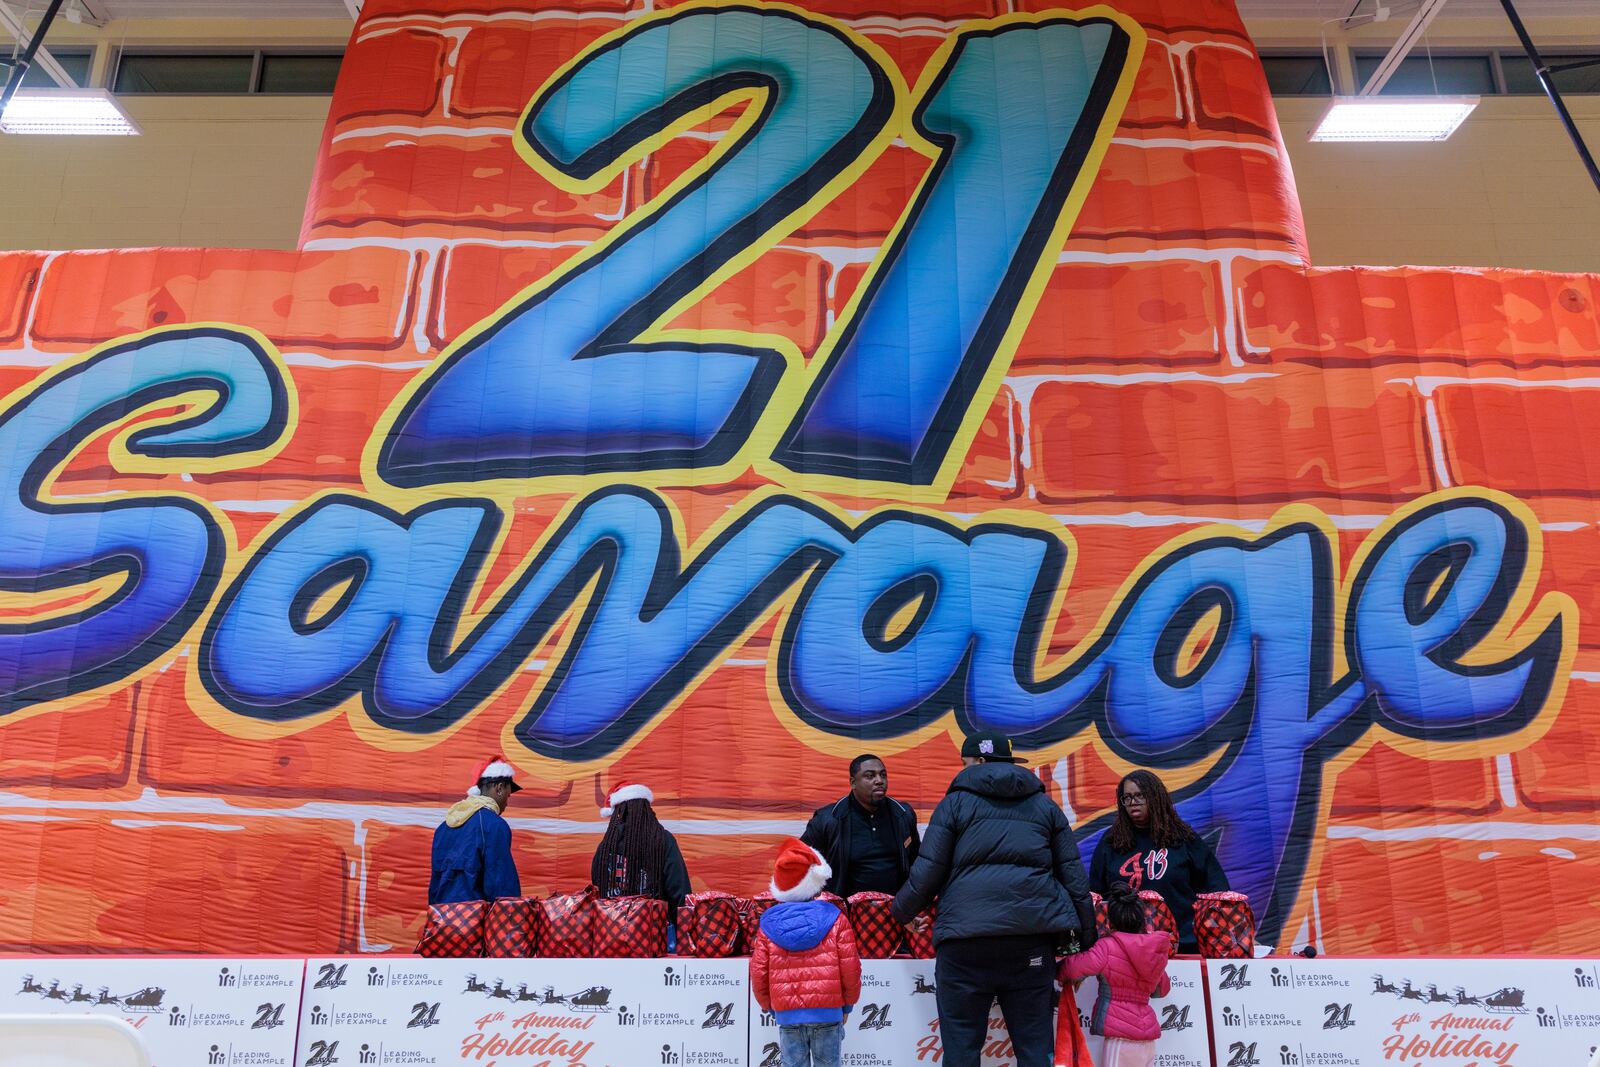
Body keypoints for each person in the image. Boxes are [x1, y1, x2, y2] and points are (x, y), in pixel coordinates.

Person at [891, 732, 1097, 1067]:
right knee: (1034, 1051)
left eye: (966, 762)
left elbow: (927, 872)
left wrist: (899, 912)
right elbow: (1073, 876)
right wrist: (1086, 939)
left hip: (964, 946)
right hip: (1030, 945)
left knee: (961, 1052)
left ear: (980, 762)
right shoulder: (1045, 807)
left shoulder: (954, 804)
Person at [750, 837, 862, 1067]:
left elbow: (758, 972)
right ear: (815, 883)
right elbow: (851, 968)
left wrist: (770, 1006)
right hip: (828, 1014)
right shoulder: (836, 919)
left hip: (788, 1016)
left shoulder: (768, 926)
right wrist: (848, 1004)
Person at [1089, 770, 1228, 954]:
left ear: (1155, 797)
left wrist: (1230, 929)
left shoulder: (1183, 837)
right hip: (1127, 947)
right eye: (1127, 797)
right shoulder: (1111, 842)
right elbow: (1096, 895)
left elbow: (1215, 888)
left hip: (1183, 945)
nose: (1133, 802)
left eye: (1140, 795)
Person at [1060, 881, 1172, 1067]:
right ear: (1142, 919)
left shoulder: (1107, 946)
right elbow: (1161, 990)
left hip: (1120, 1038)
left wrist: (1055, 970)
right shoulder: (1152, 951)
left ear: (1110, 919)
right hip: (1148, 1040)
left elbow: (1072, 969)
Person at [800, 754, 920, 898]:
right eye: (870, 776)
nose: (879, 781)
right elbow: (799, 863)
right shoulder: (828, 819)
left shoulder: (903, 815)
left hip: (897, 911)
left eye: (883, 775)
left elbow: (917, 863)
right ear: (853, 783)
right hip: (845, 913)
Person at [591, 779, 692, 916]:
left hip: (611, 931)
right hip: (653, 931)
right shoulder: (663, 840)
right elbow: (679, 893)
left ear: (616, 813)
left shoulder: (606, 846)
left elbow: (598, 888)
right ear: (646, 809)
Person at [429, 756, 522, 904]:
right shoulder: (495, 825)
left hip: (442, 921)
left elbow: (435, 884)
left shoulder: (443, 827)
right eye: (508, 795)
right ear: (499, 788)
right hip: (475, 922)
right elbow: (501, 885)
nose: (506, 802)